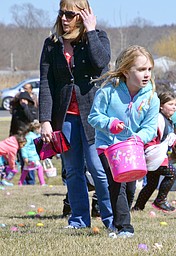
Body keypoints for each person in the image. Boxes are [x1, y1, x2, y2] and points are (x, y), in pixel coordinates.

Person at [39, 0, 113, 230]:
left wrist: (90, 31)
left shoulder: (98, 38)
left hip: (93, 116)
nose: (64, 18)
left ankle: (112, 219)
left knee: (97, 169)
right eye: (62, 13)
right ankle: (79, 220)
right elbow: (46, 83)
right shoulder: (51, 45)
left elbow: (101, 62)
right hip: (65, 118)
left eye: (70, 14)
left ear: (82, 16)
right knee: (72, 171)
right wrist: (45, 120)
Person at [88, 45, 160, 238]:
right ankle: (124, 226)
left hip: (133, 147)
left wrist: (138, 138)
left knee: (129, 188)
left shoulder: (152, 98)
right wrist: (110, 123)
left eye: (149, 69)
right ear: (126, 71)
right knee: (117, 183)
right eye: (141, 69)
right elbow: (93, 117)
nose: (147, 74)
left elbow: (150, 128)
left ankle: (119, 218)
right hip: (108, 146)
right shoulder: (108, 92)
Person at [132, 91, 176, 213]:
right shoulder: (158, 119)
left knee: (152, 183)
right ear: (161, 105)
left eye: (175, 104)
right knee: (172, 173)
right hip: (153, 154)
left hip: (157, 154)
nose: (174, 107)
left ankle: (138, 207)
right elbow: (152, 136)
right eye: (170, 104)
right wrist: (149, 150)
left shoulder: (167, 119)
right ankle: (160, 200)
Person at [9, 91, 38, 185]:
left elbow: (31, 119)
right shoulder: (16, 111)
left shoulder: (32, 109)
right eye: (21, 100)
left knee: (30, 160)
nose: (22, 101)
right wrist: (11, 137)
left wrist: (25, 108)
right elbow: (13, 125)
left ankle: (31, 181)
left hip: (29, 138)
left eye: (24, 99)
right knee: (22, 159)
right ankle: (24, 181)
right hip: (18, 138)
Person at [18, 120, 46, 186]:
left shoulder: (37, 135)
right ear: (36, 129)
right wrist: (25, 157)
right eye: (40, 129)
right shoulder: (29, 136)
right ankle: (42, 183)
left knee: (25, 170)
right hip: (31, 157)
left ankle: (20, 183)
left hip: (34, 156)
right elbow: (24, 147)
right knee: (39, 168)